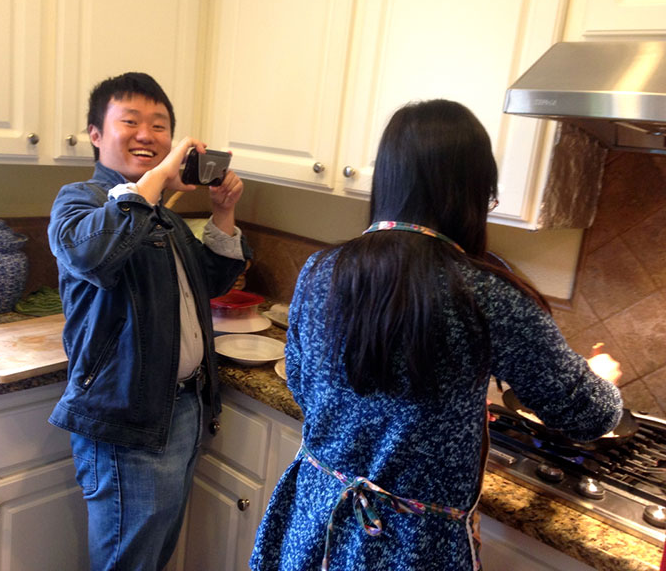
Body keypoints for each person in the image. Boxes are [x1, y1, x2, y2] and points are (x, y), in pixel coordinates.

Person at [249, 99, 623, 571]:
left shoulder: (320, 270)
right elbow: (588, 415)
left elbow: (302, 383)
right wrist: (599, 376)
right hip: (412, 545)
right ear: (473, 192)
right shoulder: (489, 295)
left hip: (316, 517)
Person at [48, 71, 250, 571]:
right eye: (131, 121)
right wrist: (155, 180)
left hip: (184, 410)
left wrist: (222, 213)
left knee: (151, 556)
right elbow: (94, 255)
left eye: (159, 126)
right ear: (96, 134)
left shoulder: (165, 215)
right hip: (126, 418)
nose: (147, 135)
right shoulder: (79, 201)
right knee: (128, 560)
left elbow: (209, 282)